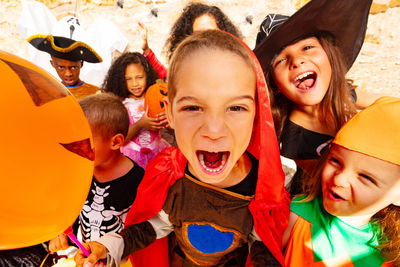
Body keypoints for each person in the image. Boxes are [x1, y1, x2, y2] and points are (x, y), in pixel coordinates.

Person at [74, 30, 290, 267]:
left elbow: (262, 248)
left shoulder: (262, 190)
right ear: (169, 113)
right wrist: (110, 248)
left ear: (256, 115)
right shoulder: (169, 177)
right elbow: (151, 227)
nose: (214, 130)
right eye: (193, 108)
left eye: (236, 108)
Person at [253, 0, 383, 194]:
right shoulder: (295, 138)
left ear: (330, 56)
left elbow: (386, 107)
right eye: (280, 60)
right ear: (275, 86)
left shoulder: (343, 93)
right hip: (328, 196)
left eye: (307, 48)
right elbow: (334, 184)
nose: (296, 61)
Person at [282, 96, 400, 266]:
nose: (339, 179)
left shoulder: (392, 251)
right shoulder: (295, 215)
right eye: (335, 161)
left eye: (365, 177)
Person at [48, 93, 144, 261]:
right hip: (85, 256)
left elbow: (143, 229)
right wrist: (61, 232)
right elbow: (73, 208)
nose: (75, 147)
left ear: (115, 142)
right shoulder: (81, 172)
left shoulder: (137, 180)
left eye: (84, 140)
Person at [140, 2, 243, 80]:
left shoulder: (236, 70)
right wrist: (147, 50)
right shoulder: (185, 73)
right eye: (198, 35)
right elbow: (167, 76)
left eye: (211, 33)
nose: (205, 39)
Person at [101, 52, 170, 169]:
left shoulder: (154, 95)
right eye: (128, 79)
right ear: (120, 80)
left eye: (139, 77)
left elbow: (168, 121)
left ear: (147, 76)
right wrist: (140, 125)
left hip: (157, 153)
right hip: (130, 157)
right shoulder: (120, 104)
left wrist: (166, 118)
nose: (135, 83)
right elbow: (120, 139)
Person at [27, 34, 102, 99]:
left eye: (73, 67)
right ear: (52, 64)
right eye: (61, 67)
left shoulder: (95, 93)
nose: (68, 74)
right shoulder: (47, 94)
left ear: (81, 64)